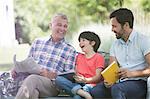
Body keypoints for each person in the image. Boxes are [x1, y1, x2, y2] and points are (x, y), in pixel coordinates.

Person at [12, 13, 77, 99]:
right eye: (59, 25)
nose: (62, 28)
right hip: (31, 82)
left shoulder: (70, 50)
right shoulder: (37, 42)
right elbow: (28, 63)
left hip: (52, 86)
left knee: (33, 79)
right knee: (34, 93)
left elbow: (68, 78)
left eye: (65, 26)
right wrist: (17, 69)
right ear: (51, 25)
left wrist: (50, 75)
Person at [90, 8, 150, 99]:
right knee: (96, 91)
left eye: (114, 26)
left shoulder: (144, 41)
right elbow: (112, 68)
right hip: (119, 83)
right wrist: (108, 80)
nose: (112, 29)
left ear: (126, 25)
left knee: (117, 89)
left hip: (139, 83)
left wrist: (132, 73)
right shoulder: (115, 44)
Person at [55, 31, 105, 99]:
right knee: (58, 79)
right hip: (78, 84)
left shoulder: (99, 57)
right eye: (80, 41)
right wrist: (76, 77)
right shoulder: (79, 56)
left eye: (83, 40)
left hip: (90, 85)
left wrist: (85, 80)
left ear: (92, 43)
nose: (80, 43)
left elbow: (98, 77)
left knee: (77, 97)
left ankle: (81, 92)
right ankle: (83, 93)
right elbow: (76, 72)